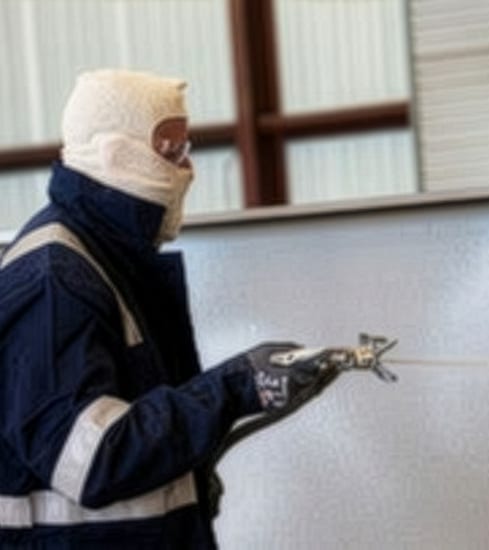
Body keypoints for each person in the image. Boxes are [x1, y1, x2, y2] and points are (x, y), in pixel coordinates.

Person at [0, 69, 347, 549]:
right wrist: (239, 386)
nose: (187, 170)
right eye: (170, 152)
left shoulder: (109, 259)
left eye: (187, 151)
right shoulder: (56, 283)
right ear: (115, 154)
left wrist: (189, 476)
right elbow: (90, 461)